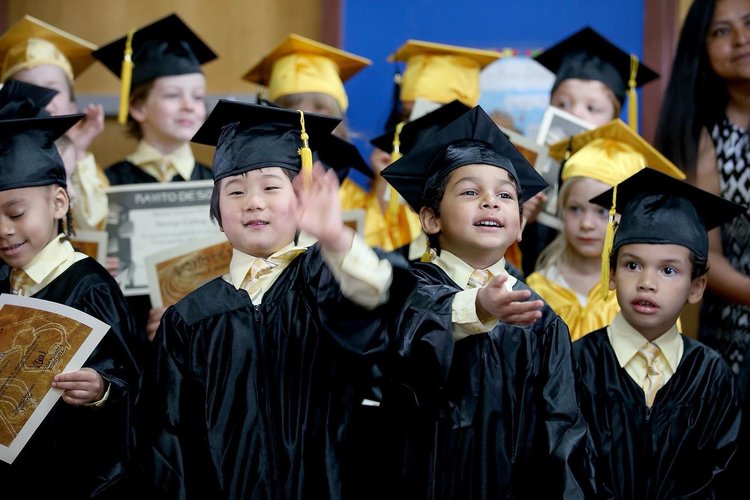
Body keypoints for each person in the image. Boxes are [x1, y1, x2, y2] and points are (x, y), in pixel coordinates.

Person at [142, 99, 413, 499]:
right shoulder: (190, 318)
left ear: (301, 198)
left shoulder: (324, 278)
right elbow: (168, 440)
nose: (253, 201)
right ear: (216, 211)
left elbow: (376, 295)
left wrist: (335, 237)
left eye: (271, 186)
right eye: (234, 191)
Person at [380, 105, 592, 498]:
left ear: (521, 222)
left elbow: (561, 430)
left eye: (505, 195)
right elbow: (407, 338)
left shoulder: (539, 318)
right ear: (430, 219)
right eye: (470, 192)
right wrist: (478, 307)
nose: (490, 202)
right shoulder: (404, 289)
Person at [0, 79, 143, 498]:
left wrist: (101, 389)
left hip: (74, 476)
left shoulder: (89, 287)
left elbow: (135, 381)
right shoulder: (4, 283)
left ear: (59, 203)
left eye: (16, 213)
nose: (4, 230)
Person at [576, 167, 744, 498]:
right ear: (610, 274)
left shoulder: (710, 375)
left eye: (668, 270)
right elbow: (566, 465)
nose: (647, 283)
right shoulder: (576, 363)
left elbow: (721, 473)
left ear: (696, 287)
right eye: (632, 265)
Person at [91, 13, 217, 339]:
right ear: (138, 107)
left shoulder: (218, 184)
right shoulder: (105, 184)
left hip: (203, 334)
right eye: (173, 95)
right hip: (126, 331)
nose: (190, 106)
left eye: (198, 97)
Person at [655, 0, 750, 384]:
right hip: (738, 327)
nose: (741, 40)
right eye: (721, 31)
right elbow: (705, 253)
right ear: (703, 48)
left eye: (749, 23)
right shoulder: (705, 138)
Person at [527, 119, 685, 341]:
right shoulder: (539, 287)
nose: (587, 224)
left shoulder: (646, 293)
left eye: (603, 213)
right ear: (561, 210)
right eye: (575, 209)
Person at [524, 26, 659, 276]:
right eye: (563, 104)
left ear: (614, 118)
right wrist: (523, 219)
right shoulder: (531, 166)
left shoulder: (625, 169)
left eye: (592, 107)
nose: (575, 113)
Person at [242, 35, 380, 245]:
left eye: (320, 108)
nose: (306, 120)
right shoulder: (254, 192)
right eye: (292, 109)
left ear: (339, 119)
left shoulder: (355, 197)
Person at [374, 40, 503, 257]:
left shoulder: (497, 186)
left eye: (432, 116)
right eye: (408, 116)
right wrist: (382, 188)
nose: (417, 127)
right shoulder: (379, 175)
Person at [0, 14, 109, 232]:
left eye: (53, 88)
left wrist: (76, 152)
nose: (43, 98)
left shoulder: (86, 168)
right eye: (28, 89)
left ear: (72, 104)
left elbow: (95, 229)